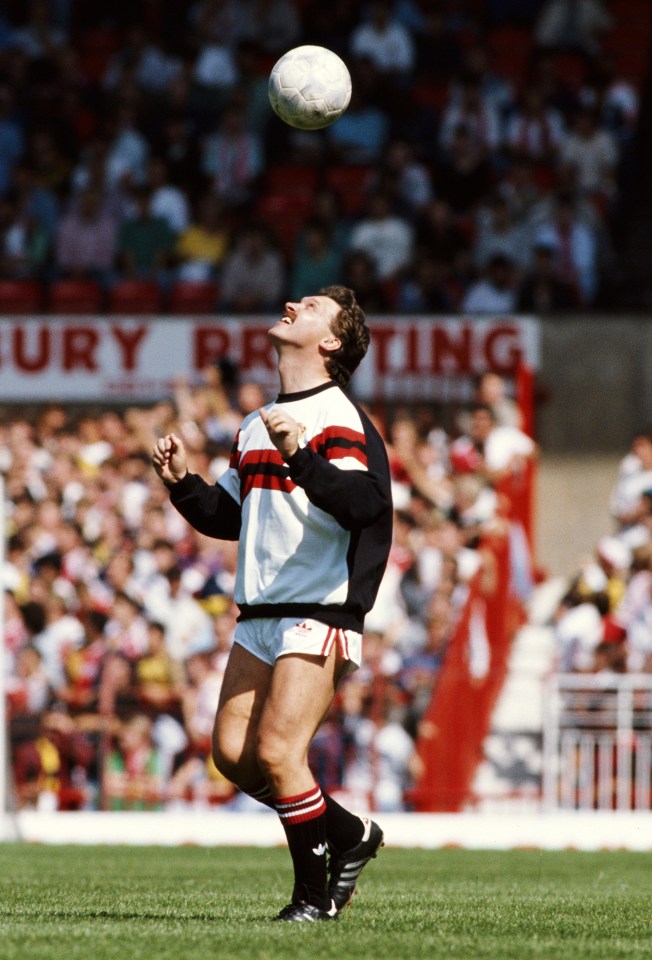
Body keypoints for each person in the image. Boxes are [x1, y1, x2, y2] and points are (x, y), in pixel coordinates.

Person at [152, 285, 392, 922]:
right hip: (259, 611)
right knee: (233, 754)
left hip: (320, 606)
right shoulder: (256, 421)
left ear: (332, 341)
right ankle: (348, 836)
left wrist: (301, 456)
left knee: (282, 753)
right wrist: (183, 486)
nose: (293, 305)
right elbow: (231, 516)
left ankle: (314, 902)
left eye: (311, 307)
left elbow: (365, 506)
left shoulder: (340, 418)